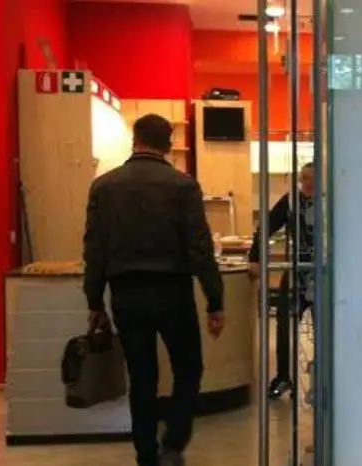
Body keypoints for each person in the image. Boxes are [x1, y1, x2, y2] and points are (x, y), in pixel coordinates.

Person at [82, 114, 225, 466]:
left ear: (135, 141)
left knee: (142, 377)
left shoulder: (103, 186)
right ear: (168, 145)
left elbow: (94, 250)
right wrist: (214, 300)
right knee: (188, 368)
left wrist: (94, 300)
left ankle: (146, 454)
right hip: (173, 292)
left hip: (126, 294)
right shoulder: (183, 186)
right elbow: (200, 248)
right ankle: (173, 443)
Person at [249, 162, 315, 399]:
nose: (308, 183)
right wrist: (255, 257)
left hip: (322, 273)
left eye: (313, 178)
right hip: (296, 270)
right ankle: (283, 377)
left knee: (324, 328)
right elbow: (264, 227)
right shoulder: (290, 202)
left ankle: (321, 378)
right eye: (305, 178)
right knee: (284, 325)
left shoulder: (330, 202)